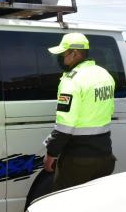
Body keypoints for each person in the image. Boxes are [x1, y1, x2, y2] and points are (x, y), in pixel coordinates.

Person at [43, 33, 116, 191]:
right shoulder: (104, 75)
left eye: (63, 54)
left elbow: (64, 126)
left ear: (75, 53)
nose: (61, 59)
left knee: (65, 203)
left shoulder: (72, 80)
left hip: (79, 159)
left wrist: (51, 154)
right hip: (105, 154)